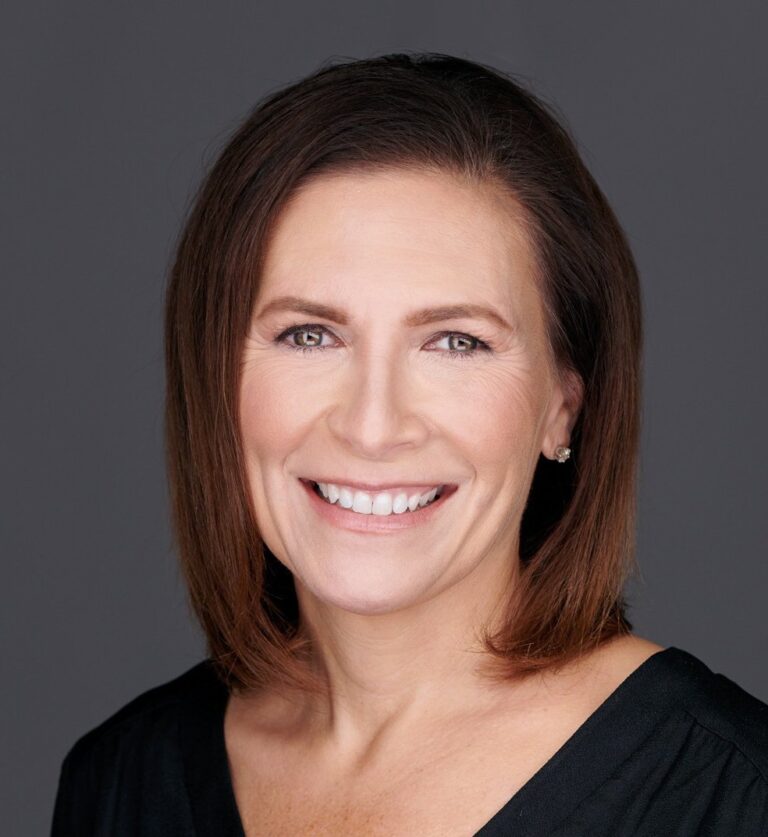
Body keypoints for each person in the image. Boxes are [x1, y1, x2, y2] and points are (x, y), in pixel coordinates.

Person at [51, 52, 768, 836]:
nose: (372, 424)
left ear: (563, 406)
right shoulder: (121, 779)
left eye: (456, 342)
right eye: (310, 333)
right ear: (214, 379)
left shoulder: (732, 795)